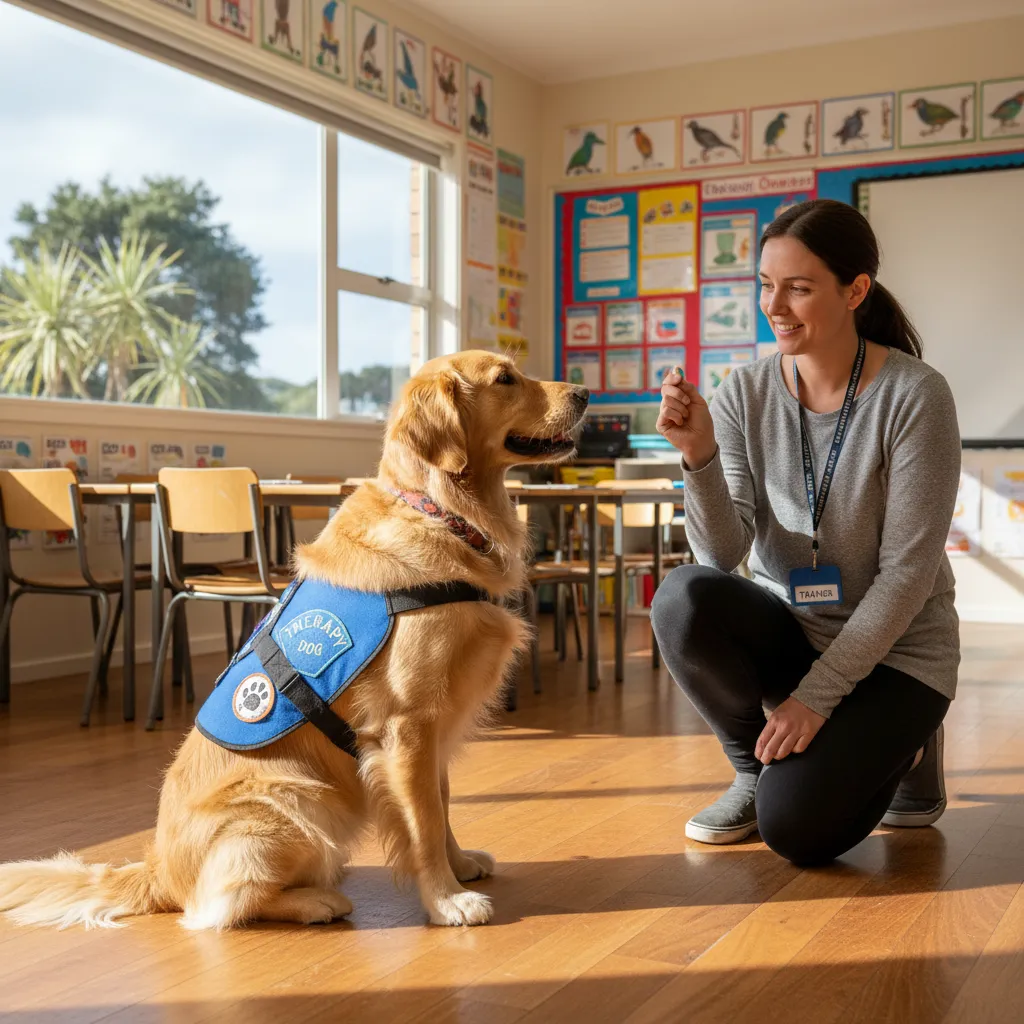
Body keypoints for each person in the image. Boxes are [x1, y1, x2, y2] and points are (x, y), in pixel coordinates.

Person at [652, 199, 960, 867]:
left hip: (898, 653)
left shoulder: (915, 395)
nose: (775, 306)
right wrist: (699, 457)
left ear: (855, 291)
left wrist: (815, 701)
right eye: (766, 284)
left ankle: (910, 745)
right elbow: (719, 555)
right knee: (682, 597)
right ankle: (751, 771)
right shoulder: (743, 394)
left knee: (795, 831)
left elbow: (908, 575)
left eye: (798, 287)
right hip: (795, 633)